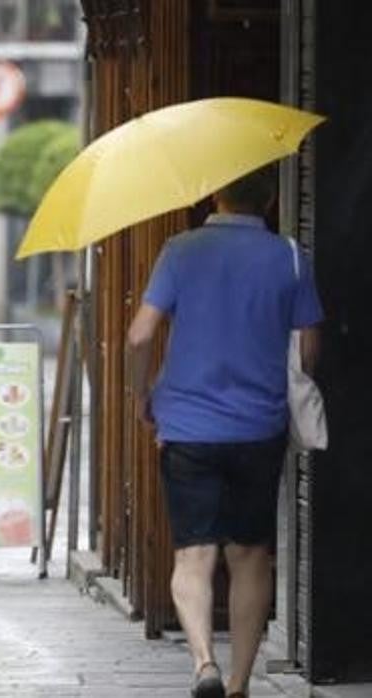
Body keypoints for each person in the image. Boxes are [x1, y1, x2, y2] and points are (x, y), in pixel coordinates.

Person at [127, 166, 323, 698]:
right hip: (258, 428)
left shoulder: (180, 250)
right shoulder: (289, 257)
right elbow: (307, 351)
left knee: (193, 556)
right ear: (270, 199)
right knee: (250, 555)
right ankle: (238, 685)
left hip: (188, 426)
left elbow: (141, 334)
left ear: (216, 192)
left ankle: (203, 664)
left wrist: (142, 393)